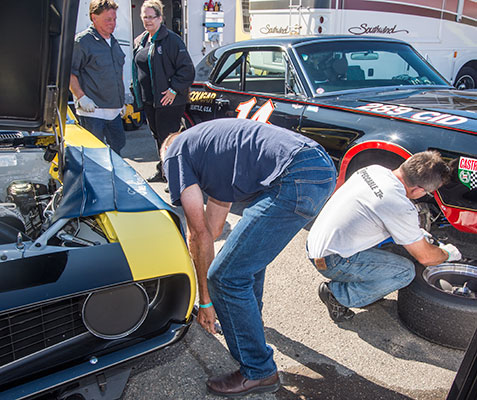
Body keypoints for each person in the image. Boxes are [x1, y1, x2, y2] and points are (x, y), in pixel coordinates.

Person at [161, 118, 336, 397]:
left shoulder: (175, 152)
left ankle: (258, 371)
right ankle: (249, 325)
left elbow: (198, 234)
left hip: (296, 173)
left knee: (225, 277)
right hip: (320, 167)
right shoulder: (213, 151)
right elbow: (214, 229)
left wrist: (205, 301)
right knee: (244, 261)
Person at [306, 151, 462, 323]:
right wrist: (447, 254)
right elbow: (426, 257)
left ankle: (368, 283)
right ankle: (338, 295)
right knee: (405, 272)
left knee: (401, 248)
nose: (426, 195)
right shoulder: (398, 204)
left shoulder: (374, 170)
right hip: (332, 260)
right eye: (428, 192)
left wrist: (415, 234)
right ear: (417, 189)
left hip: (317, 241)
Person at [132, 0, 195, 183]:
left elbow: (187, 70)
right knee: (157, 137)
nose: (148, 20)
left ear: (160, 18)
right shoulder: (142, 40)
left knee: (170, 140)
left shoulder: (172, 40)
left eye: (152, 17)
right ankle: (163, 171)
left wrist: (174, 89)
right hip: (150, 100)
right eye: (145, 17)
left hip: (169, 101)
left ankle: (175, 177)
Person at [70, 0, 126, 155]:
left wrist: (121, 99)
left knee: (117, 150)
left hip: (114, 111)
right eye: (108, 19)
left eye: (114, 19)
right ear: (94, 18)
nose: (113, 23)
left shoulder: (113, 41)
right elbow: (69, 73)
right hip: (93, 112)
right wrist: (81, 97)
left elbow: (118, 70)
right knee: (95, 155)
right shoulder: (82, 42)